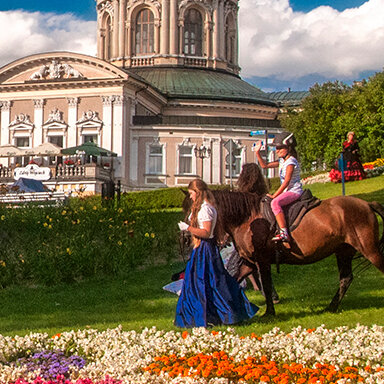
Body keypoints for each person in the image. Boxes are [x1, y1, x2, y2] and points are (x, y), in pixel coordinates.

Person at [175, 179, 258, 328]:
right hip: (200, 249)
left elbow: (206, 233)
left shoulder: (206, 209)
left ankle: (221, 313)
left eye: (192, 194)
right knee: (198, 281)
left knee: (209, 281)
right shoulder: (201, 207)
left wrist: (188, 228)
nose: (191, 197)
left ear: (198, 193)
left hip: (206, 248)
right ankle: (199, 316)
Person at [254, 132, 303, 242]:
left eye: (280, 148)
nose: (277, 150)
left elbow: (286, 182)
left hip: (294, 191)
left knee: (275, 203)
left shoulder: (291, 161)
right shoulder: (282, 161)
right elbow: (264, 165)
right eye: (276, 148)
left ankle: (284, 232)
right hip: (287, 191)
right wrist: (257, 152)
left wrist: (274, 196)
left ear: (288, 147)